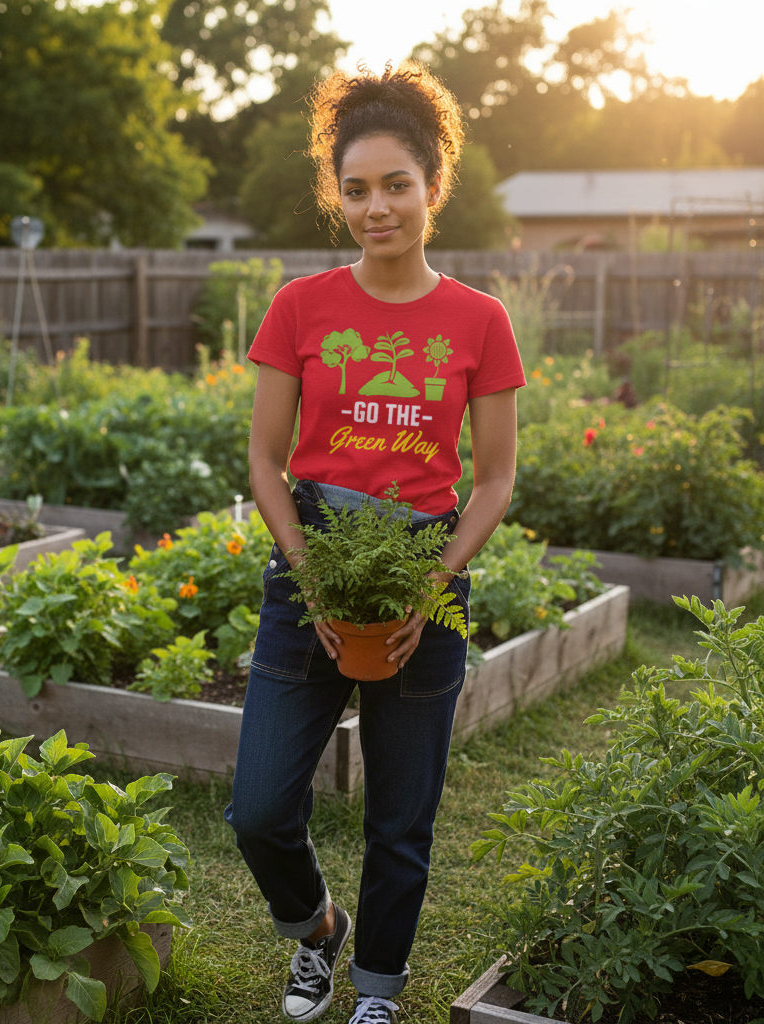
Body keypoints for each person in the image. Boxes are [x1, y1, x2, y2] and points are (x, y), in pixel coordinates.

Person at [223, 63, 527, 1024]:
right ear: (336, 195)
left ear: (435, 187)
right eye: (355, 189)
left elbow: (493, 481)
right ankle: (316, 931)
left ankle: (377, 993)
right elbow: (266, 464)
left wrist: (428, 587)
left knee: (401, 819)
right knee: (260, 810)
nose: (377, 207)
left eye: (397, 184)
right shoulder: (299, 308)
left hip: (423, 574)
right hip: (309, 561)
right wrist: (308, 580)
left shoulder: (481, 321)